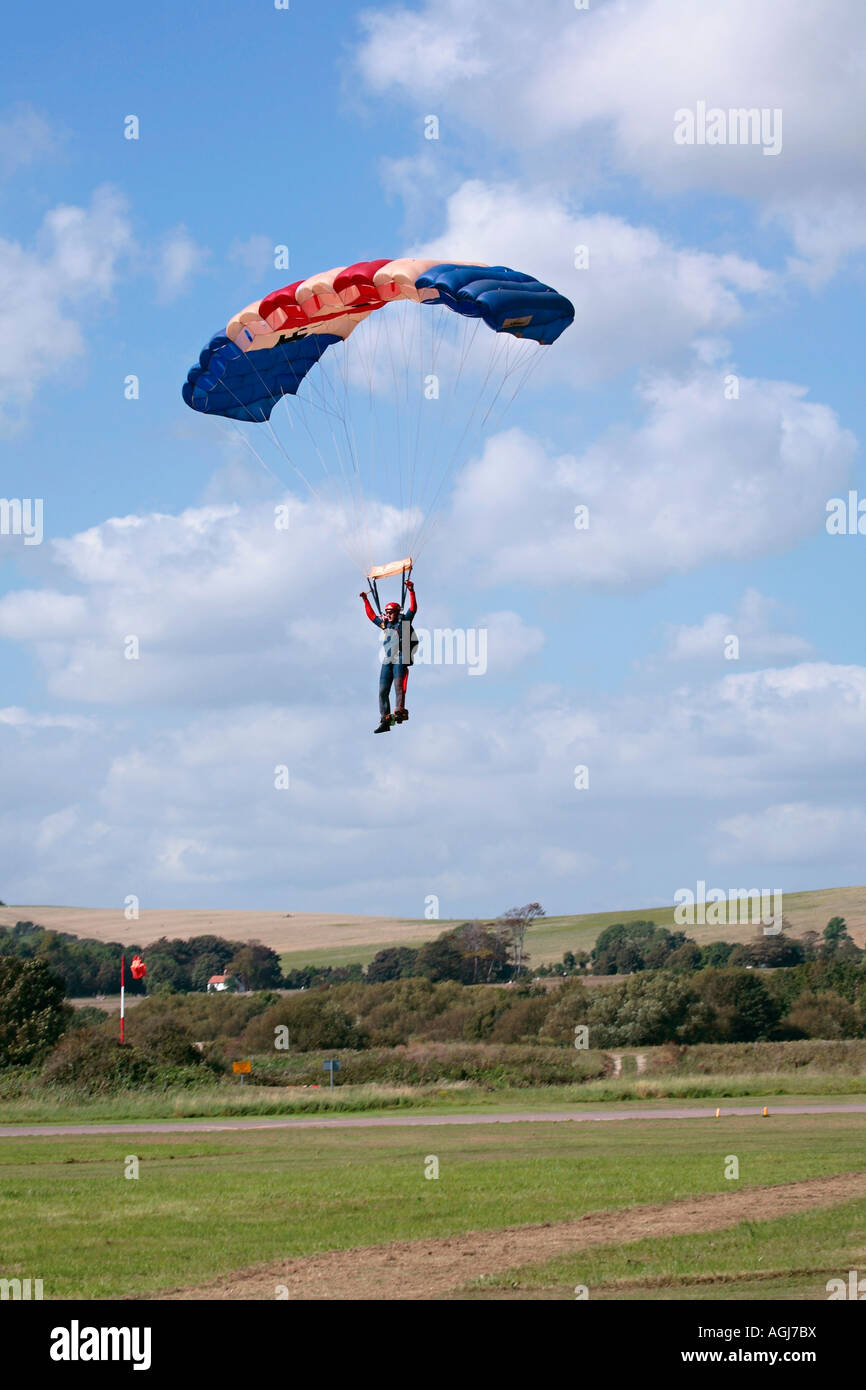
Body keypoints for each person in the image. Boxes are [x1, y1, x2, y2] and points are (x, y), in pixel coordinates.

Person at [360, 579, 417, 732]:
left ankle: (399, 710)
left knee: (398, 686)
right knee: (382, 691)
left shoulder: (404, 621)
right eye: (387, 612)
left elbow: (413, 609)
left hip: (400, 657)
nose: (388, 615)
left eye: (391, 612)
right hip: (387, 660)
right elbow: (372, 616)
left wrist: (411, 590)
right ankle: (385, 720)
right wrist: (365, 600)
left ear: (397, 612)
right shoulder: (385, 624)